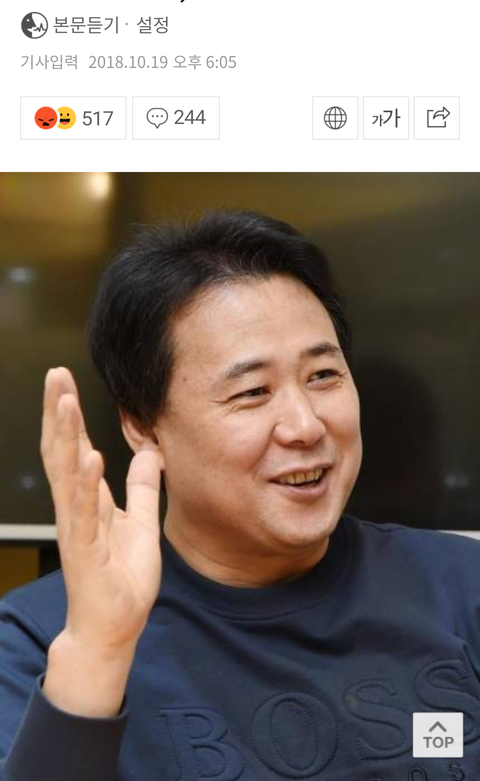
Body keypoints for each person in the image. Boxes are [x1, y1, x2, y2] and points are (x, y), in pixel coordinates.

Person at [0, 209, 479, 781]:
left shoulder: (460, 585)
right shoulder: (41, 638)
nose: (305, 425)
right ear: (145, 428)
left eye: (323, 376)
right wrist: (98, 655)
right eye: (252, 391)